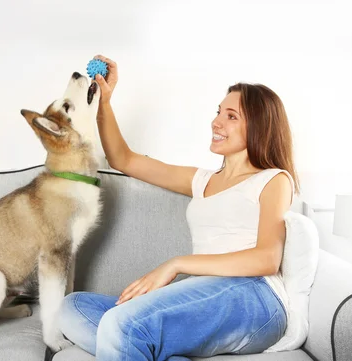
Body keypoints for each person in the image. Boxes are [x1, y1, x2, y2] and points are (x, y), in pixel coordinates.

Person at [58, 55, 299, 361]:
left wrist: (176, 264)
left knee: (121, 325)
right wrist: (105, 100)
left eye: (231, 116)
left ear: (260, 126)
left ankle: (134, 341)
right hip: (205, 295)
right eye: (218, 112)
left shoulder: (273, 180)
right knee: (71, 308)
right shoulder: (201, 180)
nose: (216, 122)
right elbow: (123, 160)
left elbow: (267, 259)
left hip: (254, 297)